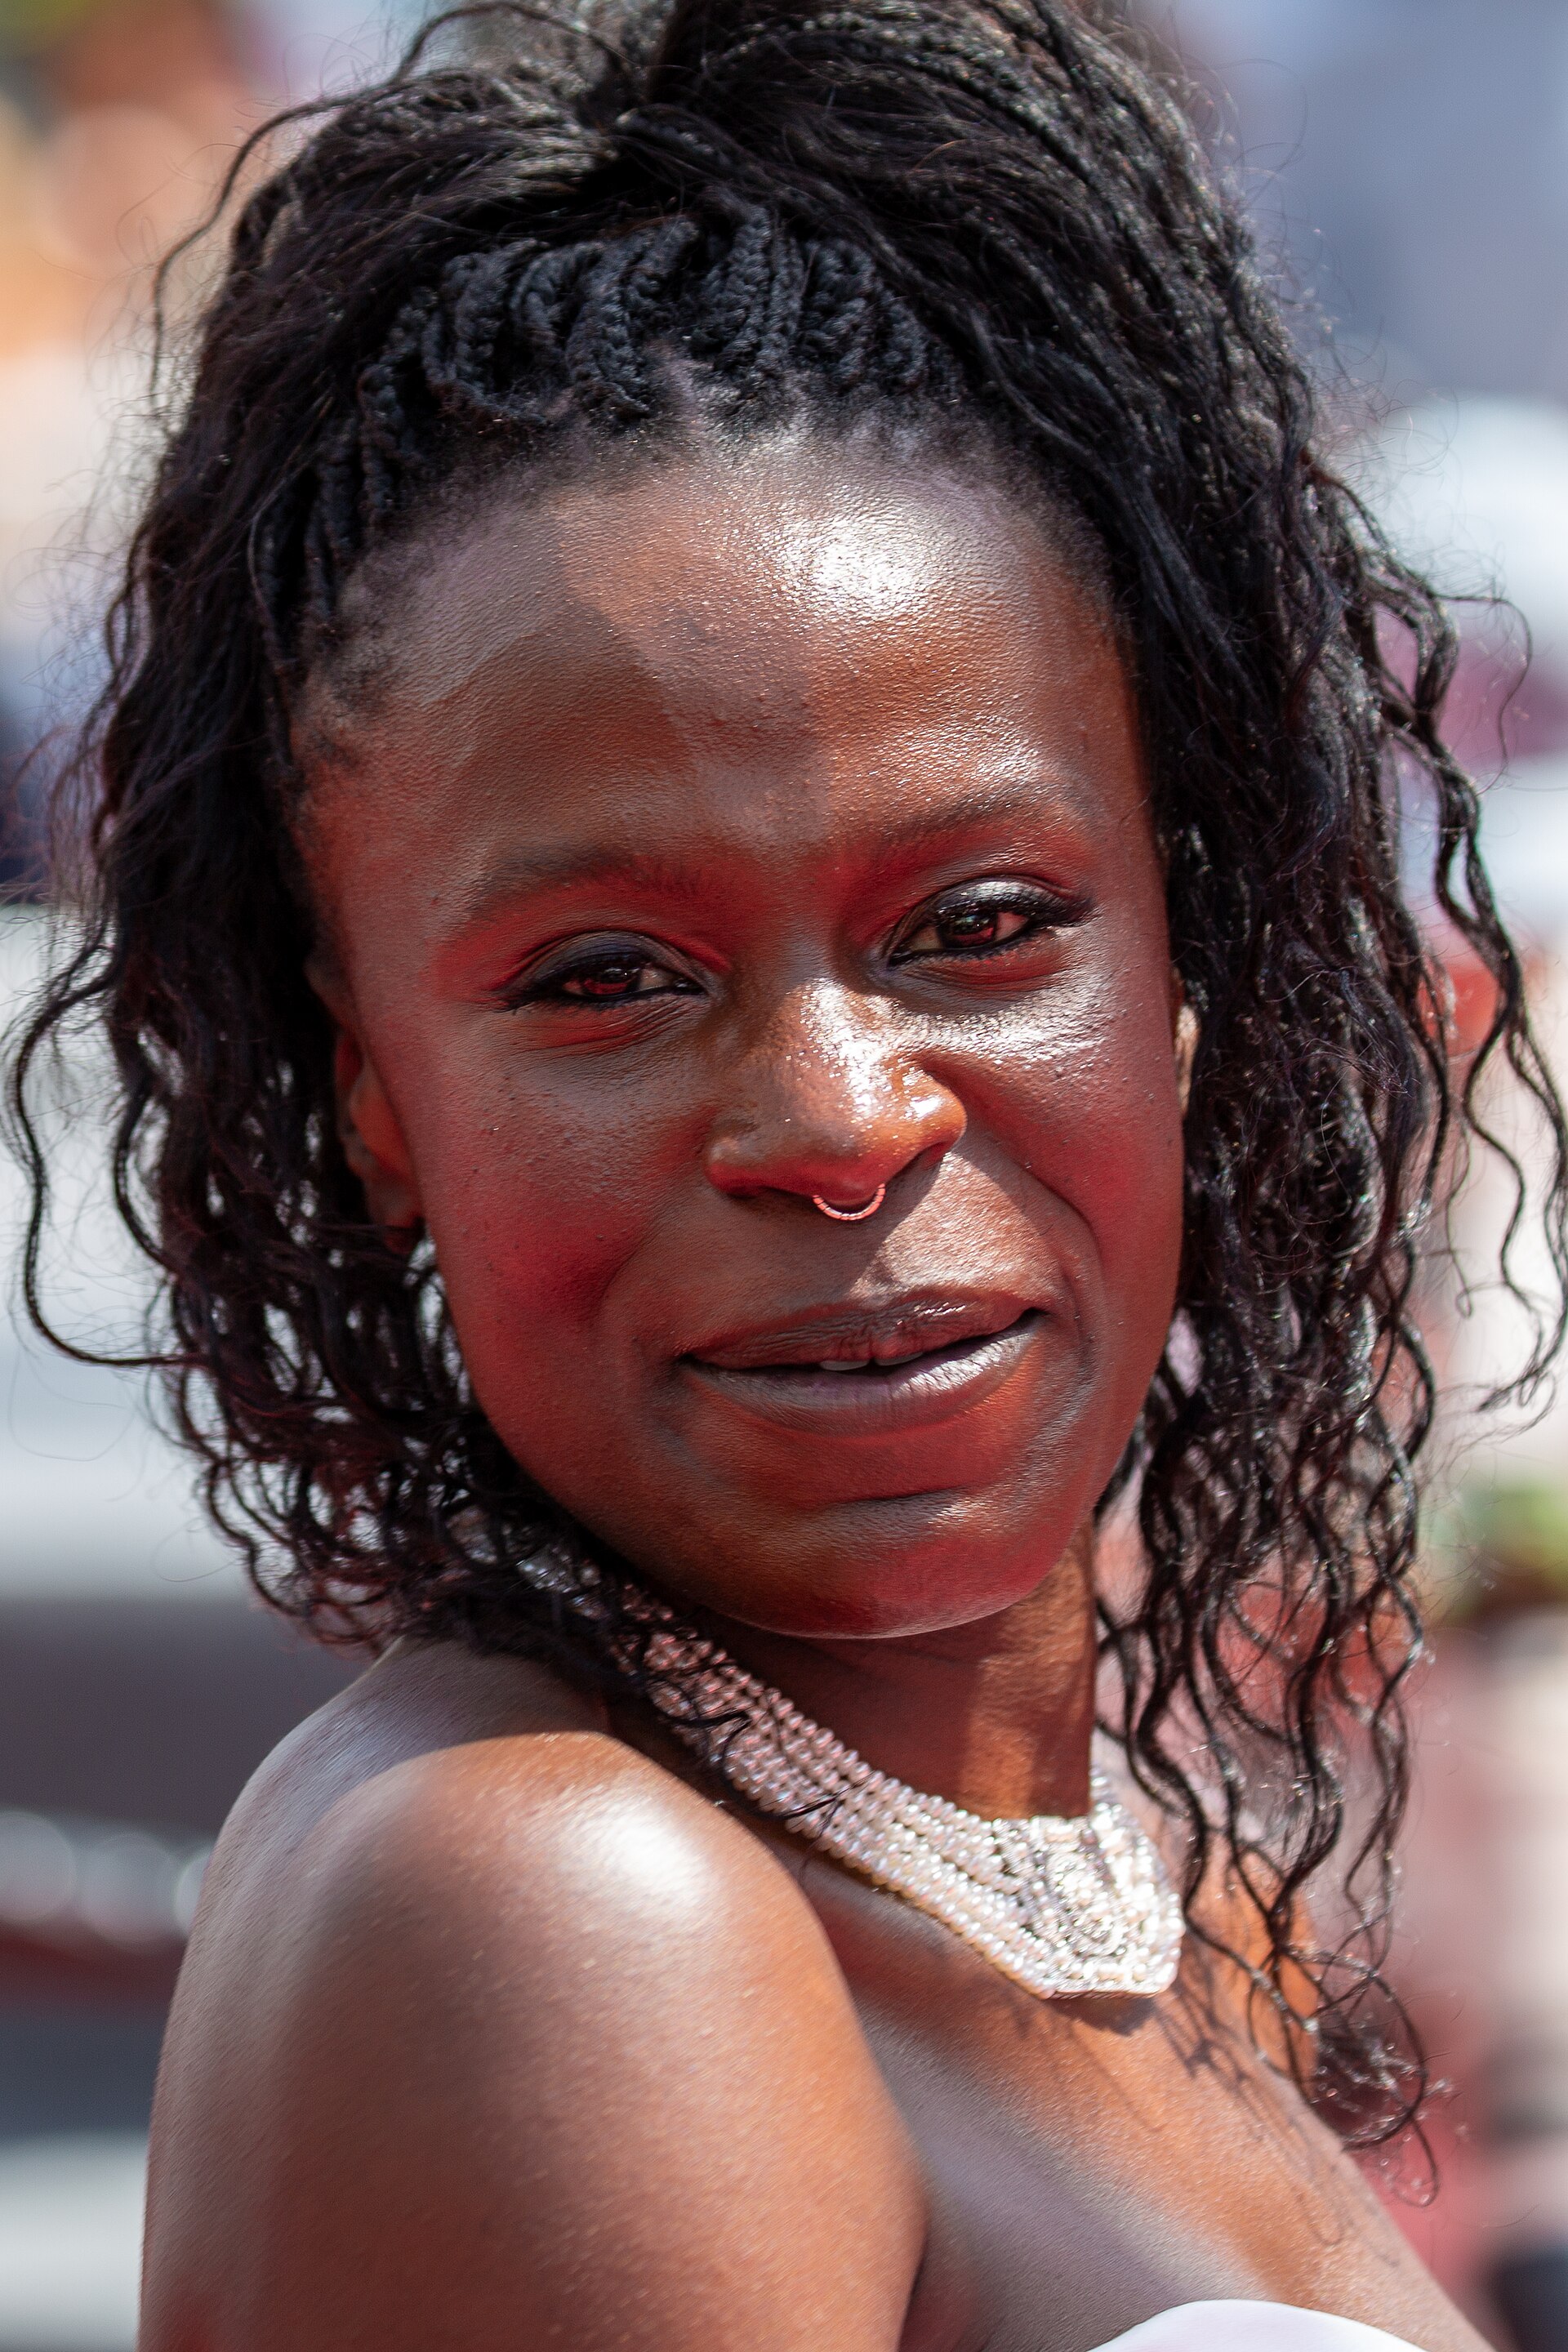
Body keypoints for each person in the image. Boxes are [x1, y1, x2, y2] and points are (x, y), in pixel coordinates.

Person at [12, 1, 1567, 2344]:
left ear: (1189, 973)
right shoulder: (557, 1909)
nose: (841, 1123)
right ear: (371, 1100)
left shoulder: (1149, 1900)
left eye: (981, 927)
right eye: (608, 977)